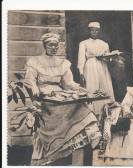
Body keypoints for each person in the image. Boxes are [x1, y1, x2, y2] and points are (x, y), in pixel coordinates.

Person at [24, 33, 101, 165]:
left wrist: (84, 90)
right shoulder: (35, 62)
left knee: (81, 107)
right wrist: (36, 91)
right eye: (50, 45)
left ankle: (78, 157)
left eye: (56, 45)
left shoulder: (62, 63)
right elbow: (29, 81)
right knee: (59, 109)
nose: (54, 48)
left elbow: (68, 83)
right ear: (45, 46)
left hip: (59, 95)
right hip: (44, 97)